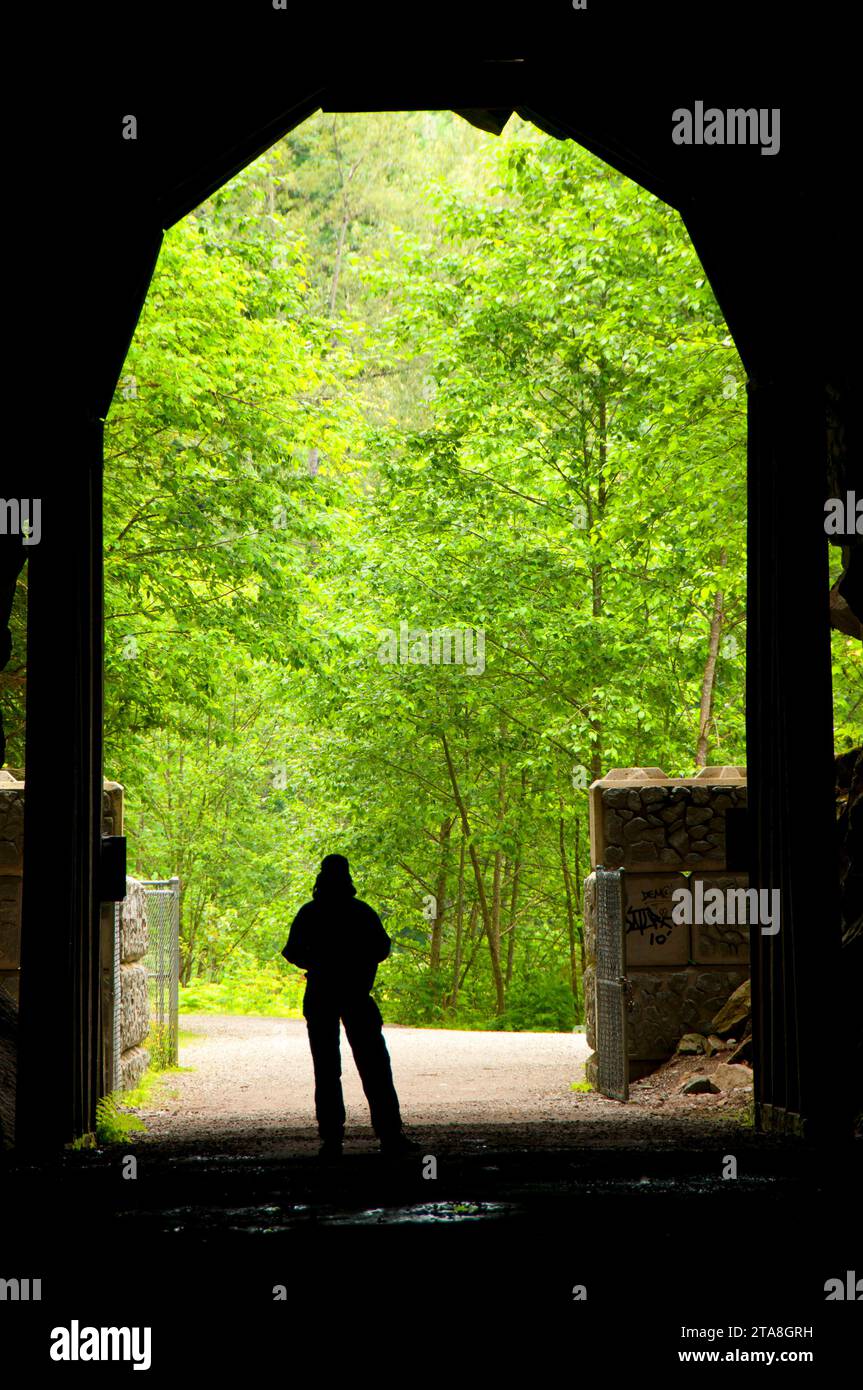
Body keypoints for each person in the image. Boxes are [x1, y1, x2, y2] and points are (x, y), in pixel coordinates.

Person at [282, 854, 418, 1160]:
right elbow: (382, 949)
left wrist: (317, 963)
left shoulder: (310, 913)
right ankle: (389, 1134)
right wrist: (357, 963)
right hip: (357, 994)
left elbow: (292, 952)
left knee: (327, 1068)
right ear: (348, 879)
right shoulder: (361, 913)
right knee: (374, 1066)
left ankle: (331, 1138)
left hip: (320, 994)